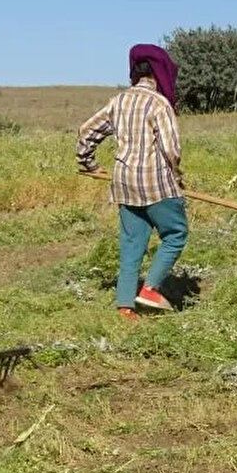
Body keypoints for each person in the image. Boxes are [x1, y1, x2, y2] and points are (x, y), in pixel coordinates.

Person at [77, 44, 188, 320]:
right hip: (156, 184)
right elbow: (171, 148)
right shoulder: (159, 104)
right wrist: (177, 175)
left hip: (124, 183)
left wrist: (87, 162)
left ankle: (125, 305)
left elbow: (87, 130)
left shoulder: (119, 101)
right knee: (175, 234)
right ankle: (150, 289)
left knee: (131, 243)